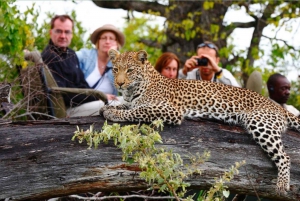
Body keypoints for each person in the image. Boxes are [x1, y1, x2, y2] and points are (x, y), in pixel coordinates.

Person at [41, 14, 106, 117]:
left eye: (67, 32)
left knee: (121, 102)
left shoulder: (71, 54)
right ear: (51, 33)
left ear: (71, 34)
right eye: (58, 31)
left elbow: (82, 83)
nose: (63, 36)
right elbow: (64, 95)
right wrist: (97, 97)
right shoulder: (49, 56)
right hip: (67, 110)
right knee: (114, 106)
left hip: (80, 104)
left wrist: (97, 95)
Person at [76, 24, 125, 101]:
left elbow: (127, 89)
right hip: (84, 102)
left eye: (111, 39)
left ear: (117, 43)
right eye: (104, 38)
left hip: (108, 107)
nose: (107, 42)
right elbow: (69, 58)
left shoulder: (119, 63)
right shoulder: (85, 55)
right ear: (98, 41)